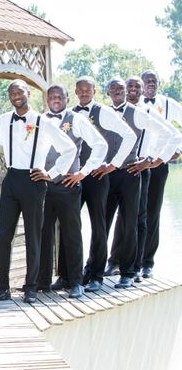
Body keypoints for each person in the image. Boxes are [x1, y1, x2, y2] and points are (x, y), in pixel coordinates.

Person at [0, 80, 76, 304]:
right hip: (11, 180)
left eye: (19, 92)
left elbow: (69, 149)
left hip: (33, 180)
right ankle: (3, 288)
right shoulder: (5, 119)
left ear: (28, 93)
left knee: (33, 236)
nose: (16, 96)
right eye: (12, 93)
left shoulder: (44, 122)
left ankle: (31, 287)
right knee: (3, 237)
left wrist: (52, 172)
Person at [104, 77, 177, 289]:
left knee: (140, 217)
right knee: (119, 218)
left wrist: (156, 159)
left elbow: (172, 135)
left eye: (137, 87)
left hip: (139, 168)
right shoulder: (111, 112)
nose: (133, 89)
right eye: (130, 86)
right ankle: (113, 261)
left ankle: (140, 265)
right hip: (114, 169)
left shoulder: (146, 112)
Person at [66, 76, 135, 293]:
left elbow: (129, 135)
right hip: (75, 176)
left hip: (97, 176)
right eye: (81, 89)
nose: (84, 93)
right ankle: (70, 275)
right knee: (70, 226)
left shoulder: (103, 112)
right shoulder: (70, 113)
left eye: (88, 89)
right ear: (76, 91)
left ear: (94, 91)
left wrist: (113, 165)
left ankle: (96, 275)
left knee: (99, 226)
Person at [38, 84, 107, 299]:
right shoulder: (40, 119)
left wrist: (83, 173)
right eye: (52, 97)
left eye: (60, 96)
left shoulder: (75, 119)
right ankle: (44, 281)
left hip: (68, 184)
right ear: (47, 100)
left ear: (67, 98)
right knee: (44, 233)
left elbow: (100, 144)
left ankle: (76, 282)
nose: (56, 99)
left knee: (72, 234)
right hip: (44, 185)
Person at [139, 70, 182, 278]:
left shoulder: (166, 103)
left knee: (152, 212)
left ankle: (147, 261)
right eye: (146, 81)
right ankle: (122, 259)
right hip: (136, 166)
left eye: (153, 81)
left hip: (158, 164)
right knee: (131, 213)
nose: (150, 84)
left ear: (159, 83)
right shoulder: (134, 102)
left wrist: (177, 151)